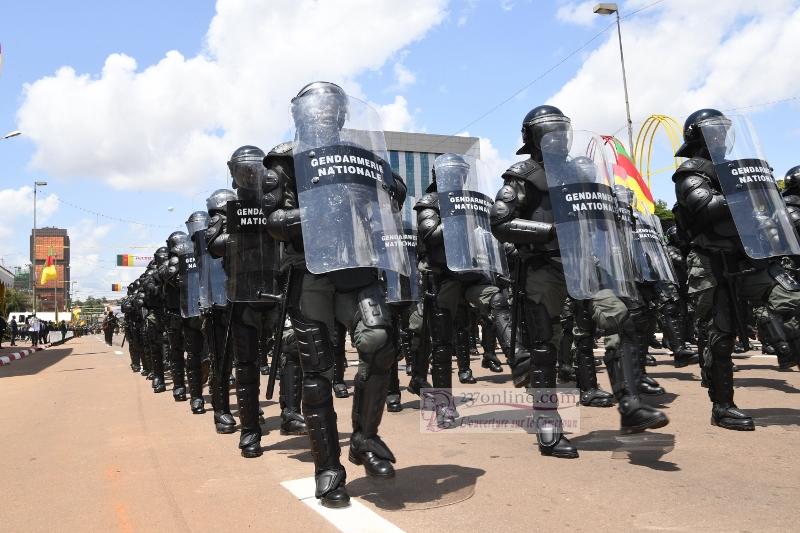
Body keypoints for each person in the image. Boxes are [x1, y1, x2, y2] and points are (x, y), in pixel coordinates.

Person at [490, 105, 668, 459]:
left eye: (561, 131)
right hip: (544, 265)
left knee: (621, 319)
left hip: (586, 262)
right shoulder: (523, 177)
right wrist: (548, 232)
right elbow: (501, 222)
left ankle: (630, 404)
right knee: (546, 348)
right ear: (533, 137)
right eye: (549, 132)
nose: (558, 138)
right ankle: (548, 423)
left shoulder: (579, 173)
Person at [265, 81, 407, 507]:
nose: (325, 117)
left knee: (381, 344)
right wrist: (316, 208)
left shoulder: (356, 158)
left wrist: (388, 186)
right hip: (310, 272)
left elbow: (390, 197)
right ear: (302, 116)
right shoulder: (282, 160)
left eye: (332, 111)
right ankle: (328, 468)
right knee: (317, 373)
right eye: (318, 111)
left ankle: (365, 437)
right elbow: (273, 219)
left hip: (355, 265)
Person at [672, 108, 800, 429]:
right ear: (697, 136)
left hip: (749, 255)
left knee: (790, 301)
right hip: (710, 259)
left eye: (724, 130)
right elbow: (704, 206)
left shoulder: (738, 170)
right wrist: (746, 193)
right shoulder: (691, 171)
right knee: (719, 334)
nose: (721, 136)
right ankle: (723, 406)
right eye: (713, 131)